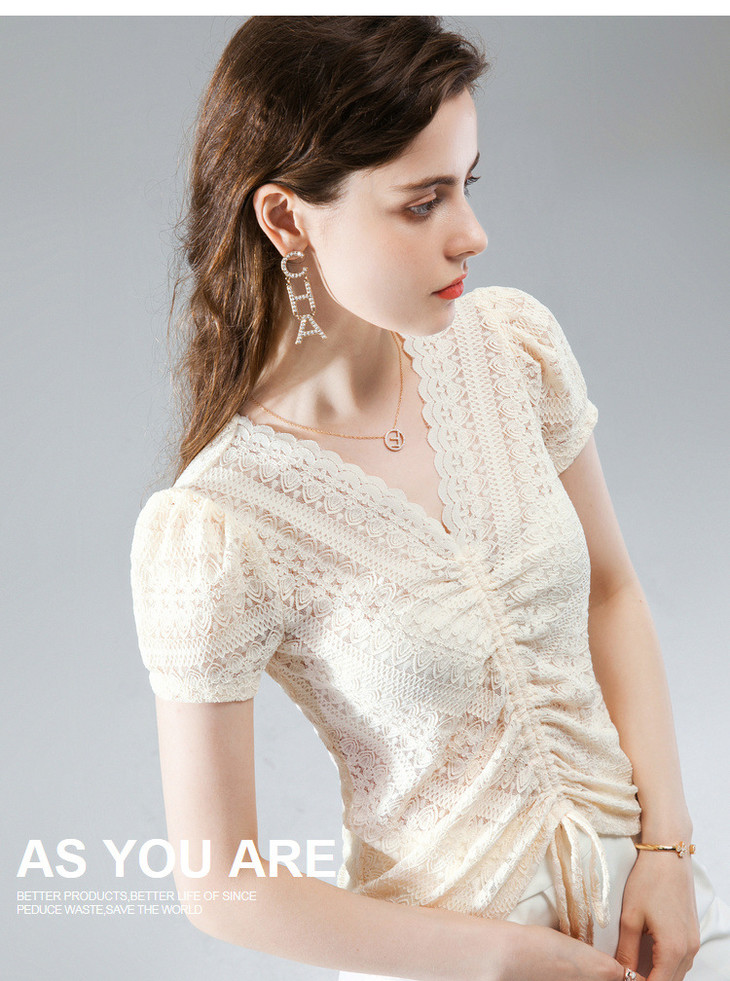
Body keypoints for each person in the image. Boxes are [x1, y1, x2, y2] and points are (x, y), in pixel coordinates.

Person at [129, 16, 730, 981]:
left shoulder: (513, 349)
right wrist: (499, 958)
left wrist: (668, 847)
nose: (473, 233)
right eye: (422, 202)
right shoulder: (219, 526)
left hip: (658, 926)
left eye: (466, 182)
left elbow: (612, 590)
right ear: (286, 220)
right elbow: (218, 882)